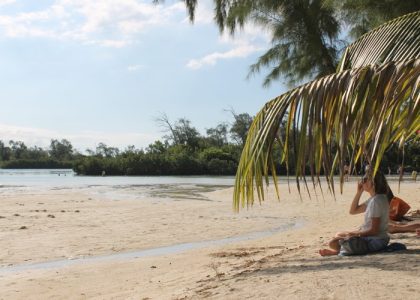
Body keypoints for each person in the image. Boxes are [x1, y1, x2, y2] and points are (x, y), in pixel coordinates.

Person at [319, 171, 390, 256]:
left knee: (332, 243)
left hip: (375, 240)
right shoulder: (377, 198)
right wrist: (359, 192)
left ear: (372, 183)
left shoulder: (376, 201)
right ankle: (341, 250)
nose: (361, 182)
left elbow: (374, 231)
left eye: (364, 180)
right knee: (339, 234)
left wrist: (354, 234)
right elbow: (353, 211)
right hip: (378, 238)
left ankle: (338, 252)